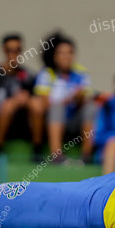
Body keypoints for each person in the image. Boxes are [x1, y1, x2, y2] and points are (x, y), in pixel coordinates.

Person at [29, 33, 95, 164]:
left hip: (75, 120)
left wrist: (79, 98)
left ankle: (87, 156)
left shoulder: (82, 74)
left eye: (69, 52)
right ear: (55, 56)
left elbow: (87, 100)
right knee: (57, 107)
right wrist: (65, 101)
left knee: (91, 107)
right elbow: (44, 103)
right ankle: (56, 155)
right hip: (54, 120)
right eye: (62, 53)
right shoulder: (47, 74)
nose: (66, 56)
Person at [0, 33, 35, 156]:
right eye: (9, 50)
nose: (13, 54)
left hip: (22, 123)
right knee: (8, 105)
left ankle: (37, 149)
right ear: (3, 50)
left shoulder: (28, 76)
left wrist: (27, 98)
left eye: (17, 50)